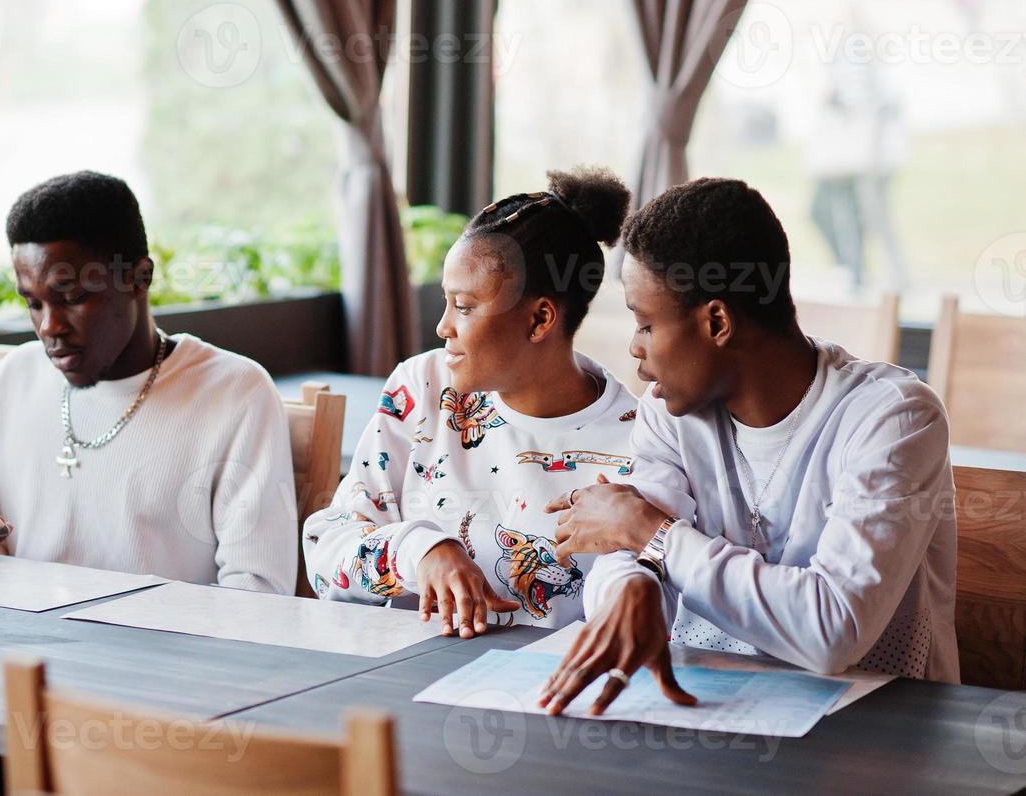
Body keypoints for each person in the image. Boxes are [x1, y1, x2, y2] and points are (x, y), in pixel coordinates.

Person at [538, 177, 957, 719]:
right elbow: (623, 549)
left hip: (872, 737)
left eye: (645, 323)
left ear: (717, 321)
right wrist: (632, 585)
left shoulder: (893, 417)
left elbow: (833, 630)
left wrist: (654, 538)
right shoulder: (670, 412)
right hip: (707, 710)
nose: (634, 348)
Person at [0, 171, 297, 594]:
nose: (49, 327)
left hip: (165, 653)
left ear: (139, 278)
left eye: (73, 298)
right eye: (33, 303)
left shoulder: (235, 394)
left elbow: (260, 594)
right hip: (25, 649)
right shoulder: (15, 378)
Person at [304, 167, 638, 638]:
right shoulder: (422, 389)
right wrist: (419, 551)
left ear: (540, 318)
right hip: (399, 676)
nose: (443, 327)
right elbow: (325, 551)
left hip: (549, 693)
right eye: (446, 303)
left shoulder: (637, 442)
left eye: (463, 306)